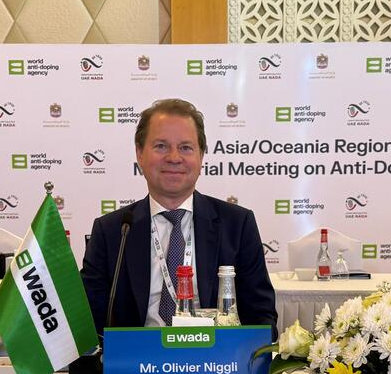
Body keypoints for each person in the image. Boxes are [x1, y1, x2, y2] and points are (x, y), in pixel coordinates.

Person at [81, 97, 277, 334]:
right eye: (161, 146)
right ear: (140, 154)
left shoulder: (237, 225)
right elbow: (89, 324)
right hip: (138, 364)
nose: (174, 158)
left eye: (185, 147)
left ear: (201, 156)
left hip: (214, 363)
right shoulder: (113, 231)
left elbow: (261, 317)